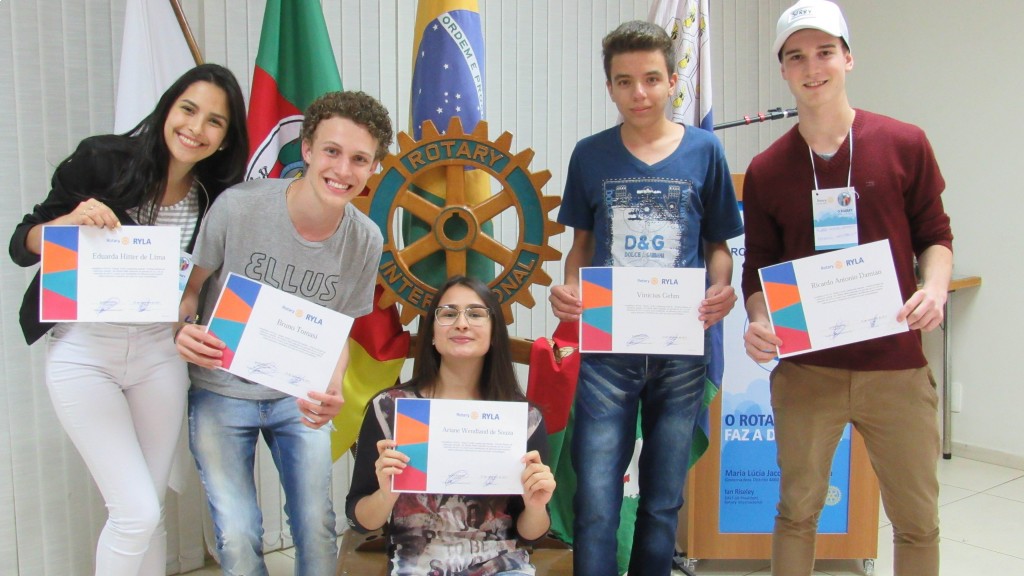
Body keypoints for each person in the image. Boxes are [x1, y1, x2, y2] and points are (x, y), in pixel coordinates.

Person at [8, 63, 248, 576]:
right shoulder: (102, 160)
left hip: (159, 354)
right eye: (188, 109)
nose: (196, 128)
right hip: (84, 350)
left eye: (215, 122)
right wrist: (67, 224)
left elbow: (196, 286)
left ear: (227, 139)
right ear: (167, 108)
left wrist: (189, 315)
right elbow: (22, 244)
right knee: (134, 512)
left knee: (148, 511)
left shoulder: (216, 194)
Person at [741, 1, 953, 575]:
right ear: (783, 70)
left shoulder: (904, 143)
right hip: (808, 370)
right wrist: (759, 319)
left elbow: (936, 236)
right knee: (796, 513)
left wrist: (934, 288)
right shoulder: (767, 169)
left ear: (848, 58)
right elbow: (758, 267)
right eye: (796, 57)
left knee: (917, 520)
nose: (812, 68)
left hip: (896, 367)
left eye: (825, 52)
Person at [548, 20, 743, 576]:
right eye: (625, 81)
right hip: (607, 354)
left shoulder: (705, 151)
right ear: (609, 87)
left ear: (673, 81)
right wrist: (570, 289)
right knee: (596, 499)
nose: (640, 92)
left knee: (662, 501)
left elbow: (718, 247)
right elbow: (581, 248)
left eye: (652, 79)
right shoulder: (590, 155)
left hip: (681, 351)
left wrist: (721, 287)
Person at [174, 90, 393, 576]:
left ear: (374, 167)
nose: (343, 170)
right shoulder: (238, 207)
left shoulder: (365, 239)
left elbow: (339, 332)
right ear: (307, 149)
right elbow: (189, 291)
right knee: (238, 533)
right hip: (220, 389)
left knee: (316, 526)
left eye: (360, 159)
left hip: (298, 395)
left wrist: (333, 385)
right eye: (332, 151)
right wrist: (181, 329)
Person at [347, 275, 556, 576]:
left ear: (494, 333)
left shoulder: (523, 419)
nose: (461, 324)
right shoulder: (392, 409)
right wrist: (386, 495)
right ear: (432, 334)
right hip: (417, 566)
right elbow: (360, 521)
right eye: (448, 314)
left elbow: (531, 534)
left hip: (502, 566)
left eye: (476, 314)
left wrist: (536, 506)